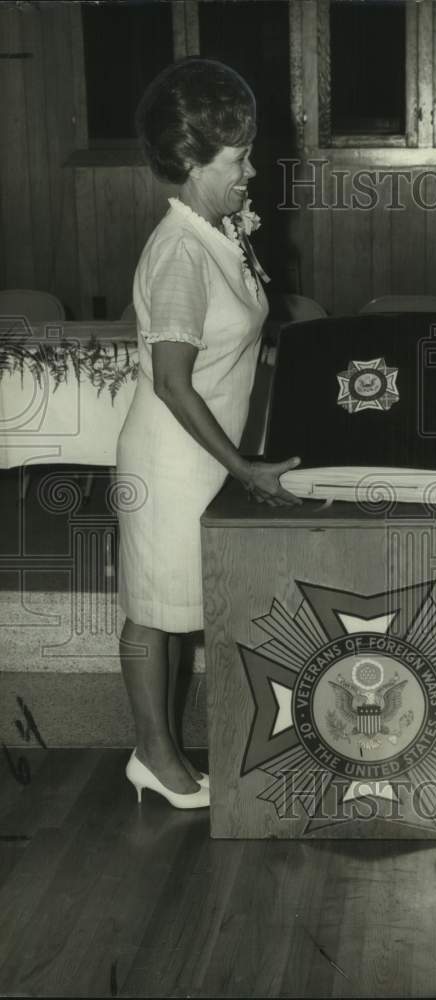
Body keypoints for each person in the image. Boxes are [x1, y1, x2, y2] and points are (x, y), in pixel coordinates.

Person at [116, 58, 301, 809]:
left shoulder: (215, 230)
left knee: (181, 610)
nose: (250, 170)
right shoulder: (180, 252)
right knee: (154, 610)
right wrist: (246, 468)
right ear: (190, 162)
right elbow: (170, 381)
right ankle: (154, 757)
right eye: (237, 159)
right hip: (174, 461)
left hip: (206, 457)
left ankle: (176, 751)